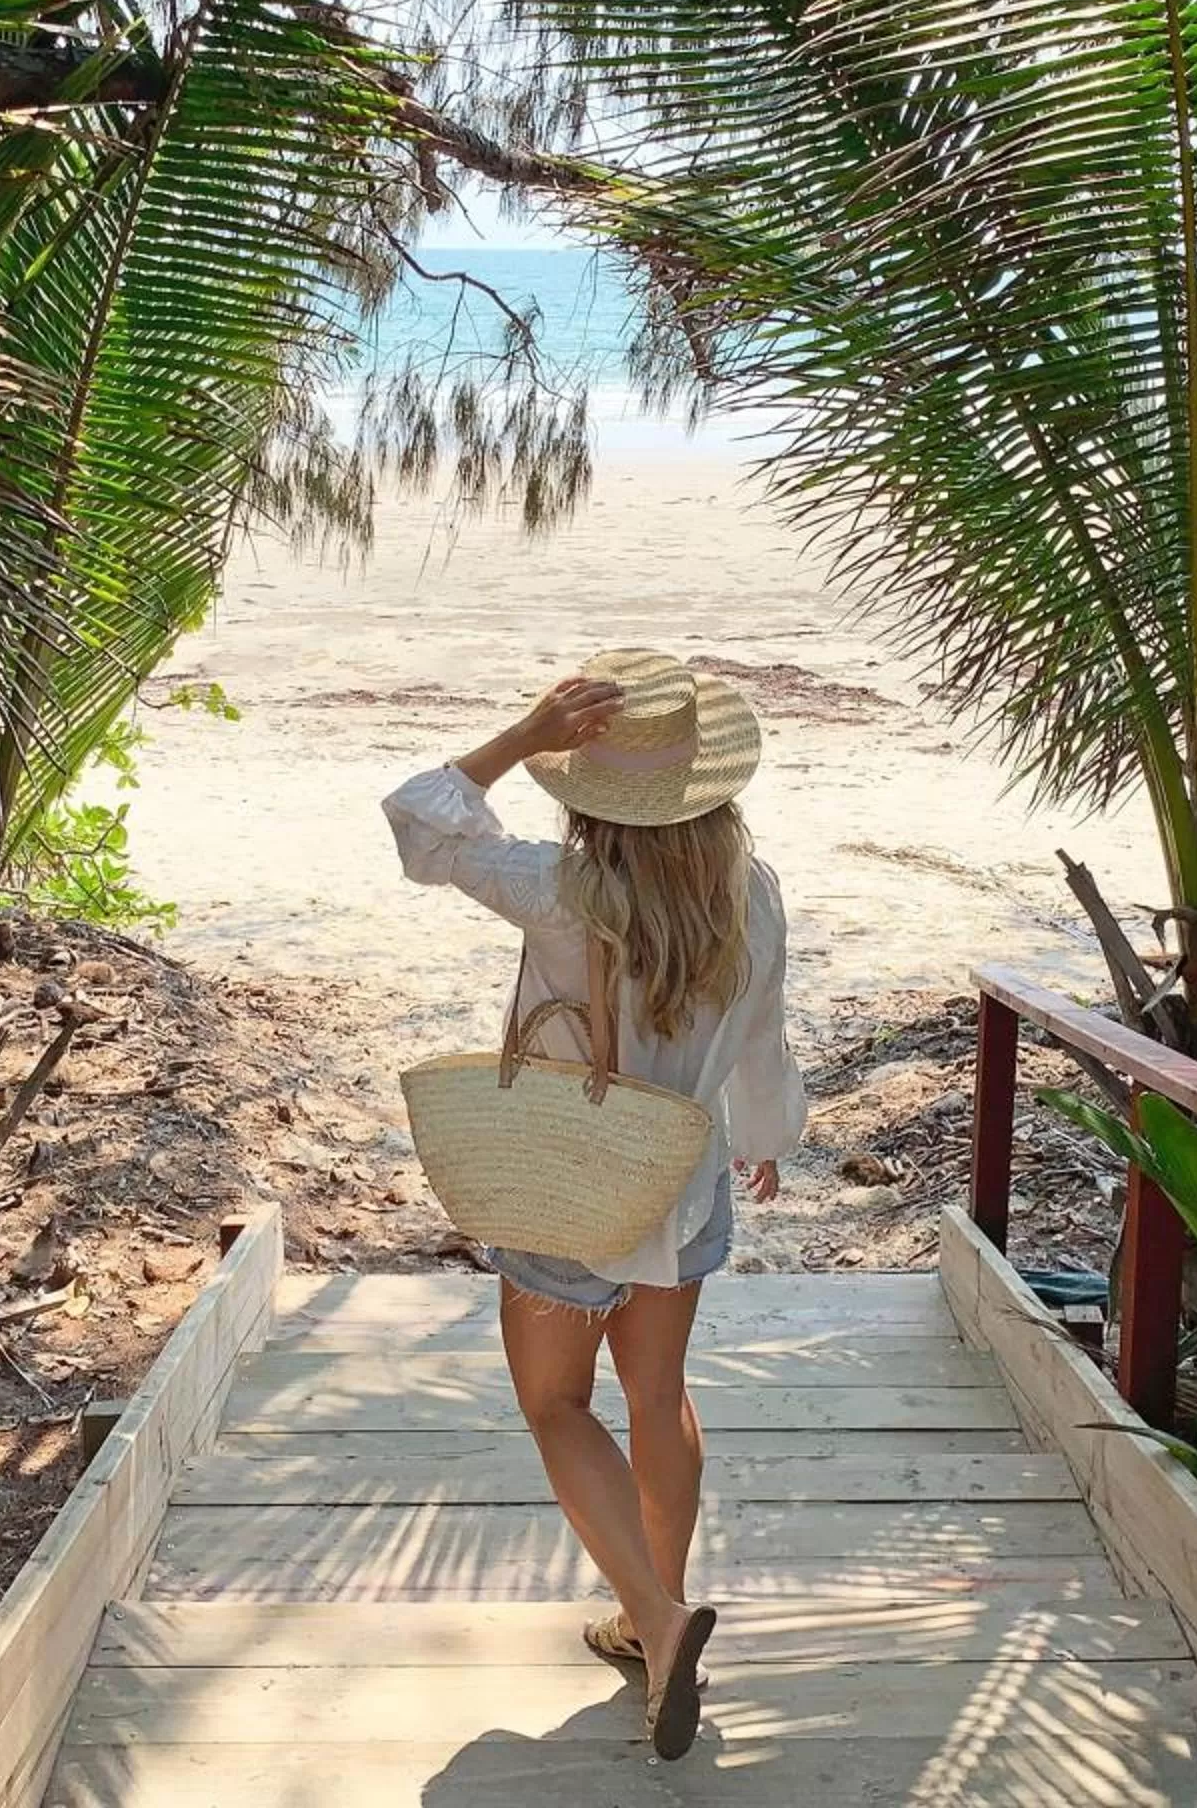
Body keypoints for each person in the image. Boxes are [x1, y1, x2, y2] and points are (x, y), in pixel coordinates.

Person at [382, 647, 804, 1763]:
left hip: (567, 1186)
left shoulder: (563, 891)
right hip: (682, 1179)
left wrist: (523, 734)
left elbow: (421, 821)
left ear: (591, 792)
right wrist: (764, 1141)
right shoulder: (748, 892)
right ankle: (650, 1611)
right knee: (658, 1397)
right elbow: (761, 1040)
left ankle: (657, 1621)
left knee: (559, 1406)